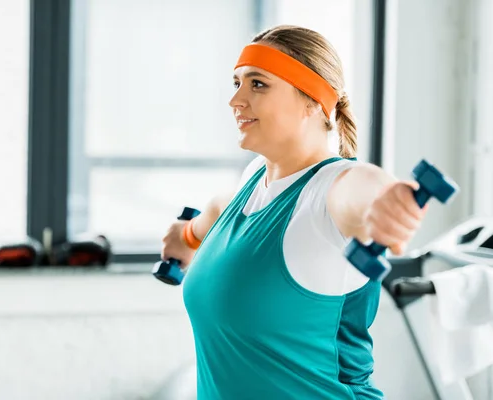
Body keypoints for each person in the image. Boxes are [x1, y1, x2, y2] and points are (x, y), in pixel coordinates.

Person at [161, 25, 427, 399]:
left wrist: (383, 204)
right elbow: (222, 206)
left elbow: (360, 190)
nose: (235, 100)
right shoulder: (256, 178)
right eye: (236, 83)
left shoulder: (329, 190)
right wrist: (189, 235)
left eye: (258, 84)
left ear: (313, 102)